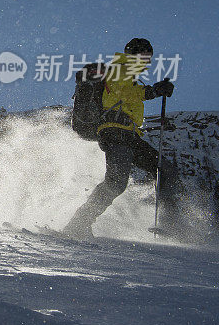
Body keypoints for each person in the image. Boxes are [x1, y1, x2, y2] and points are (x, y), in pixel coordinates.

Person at [63, 38, 177, 238]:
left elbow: (126, 95)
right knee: (116, 182)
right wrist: (154, 91)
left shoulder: (129, 73)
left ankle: (170, 223)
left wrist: (152, 91)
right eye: (144, 55)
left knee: (163, 169)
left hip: (128, 133)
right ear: (133, 53)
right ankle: (78, 224)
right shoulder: (120, 67)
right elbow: (122, 91)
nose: (147, 60)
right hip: (116, 132)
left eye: (149, 57)